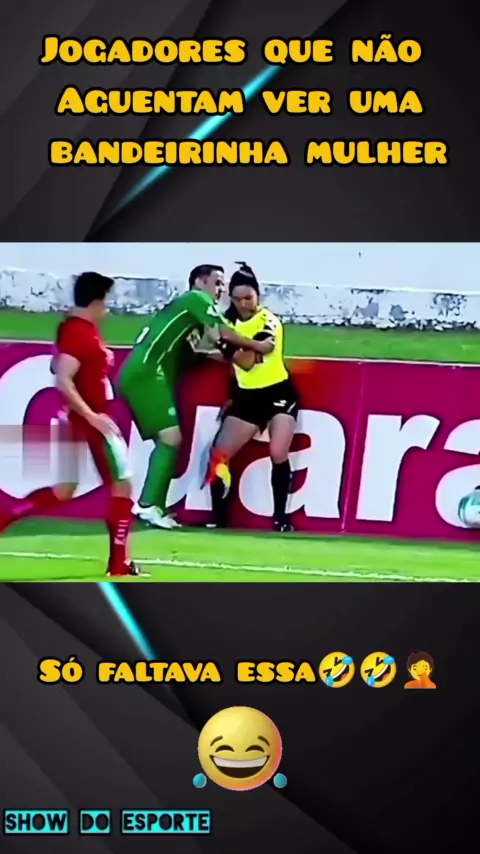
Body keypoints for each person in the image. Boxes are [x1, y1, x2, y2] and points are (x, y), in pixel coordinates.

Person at [0, 272, 141, 577]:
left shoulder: (76, 329)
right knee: (123, 485)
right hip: (89, 421)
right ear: (96, 300)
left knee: (65, 490)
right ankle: (119, 563)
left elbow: (60, 366)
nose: (109, 307)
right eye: (107, 300)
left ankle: (5, 517)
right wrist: (93, 416)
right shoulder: (79, 332)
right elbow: (63, 379)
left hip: (78, 420)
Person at [117, 264, 275, 530]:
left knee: (168, 441)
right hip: (148, 373)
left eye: (223, 284)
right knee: (170, 438)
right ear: (200, 282)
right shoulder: (196, 298)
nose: (221, 289)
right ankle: (148, 505)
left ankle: (154, 506)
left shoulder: (190, 317)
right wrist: (258, 345)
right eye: (217, 282)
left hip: (143, 373)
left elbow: (210, 350)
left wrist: (237, 358)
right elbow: (223, 333)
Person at [205, 263, 299, 532]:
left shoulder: (268, 322)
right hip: (247, 397)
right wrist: (232, 394)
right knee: (219, 454)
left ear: (258, 295)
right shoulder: (228, 323)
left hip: (278, 394)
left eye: (248, 298)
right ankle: (219, 520)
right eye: (237, 299)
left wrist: (221, 345)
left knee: (278, 452)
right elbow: (234, 367)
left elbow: (247, 362)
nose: (244, 304)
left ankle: (281, 519)